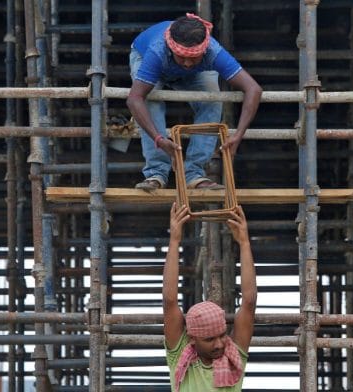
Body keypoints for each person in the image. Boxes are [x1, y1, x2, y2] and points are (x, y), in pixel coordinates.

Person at [127, 13, 263, 191]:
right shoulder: (157, 51)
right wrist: (159, 139)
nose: (187, 63)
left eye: (194, 57)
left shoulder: (213, 51)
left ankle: (194, 174)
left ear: (204, 50)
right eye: (181, 56)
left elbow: (254, 89)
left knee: (212, 100)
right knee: (150, 99)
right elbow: (135, 98)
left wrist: (238, 135)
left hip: (192, 73)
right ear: (171, 47)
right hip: (144, 57)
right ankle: (156, 173)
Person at [163, 203, 257, 391]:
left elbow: (248, 302)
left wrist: (244, 243)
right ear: (191, 338)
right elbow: (169, 301)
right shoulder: (180, 356)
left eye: (222, 335)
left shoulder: (233, 357)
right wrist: (174, 240)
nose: (219, 344)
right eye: (209, 339)